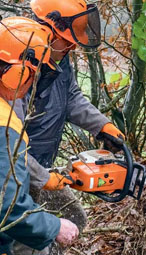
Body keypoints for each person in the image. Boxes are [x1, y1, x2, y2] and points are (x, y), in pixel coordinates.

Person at [12, 0, 126, 254]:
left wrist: (101, 125)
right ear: (48, 29)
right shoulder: (16, 66)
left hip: (42, 164)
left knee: (73, 217)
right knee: (26, 240)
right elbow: (10, 146)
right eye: (67, 39)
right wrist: (42, 177)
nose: (73, 45)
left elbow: (70, 95)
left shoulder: (58, 57)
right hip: (16, 173)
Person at [0, 17, 79, 255]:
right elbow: (7, 206)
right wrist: (54, 226)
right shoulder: (4, 123)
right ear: (17, 72)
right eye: (32, 74)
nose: (33, 82)